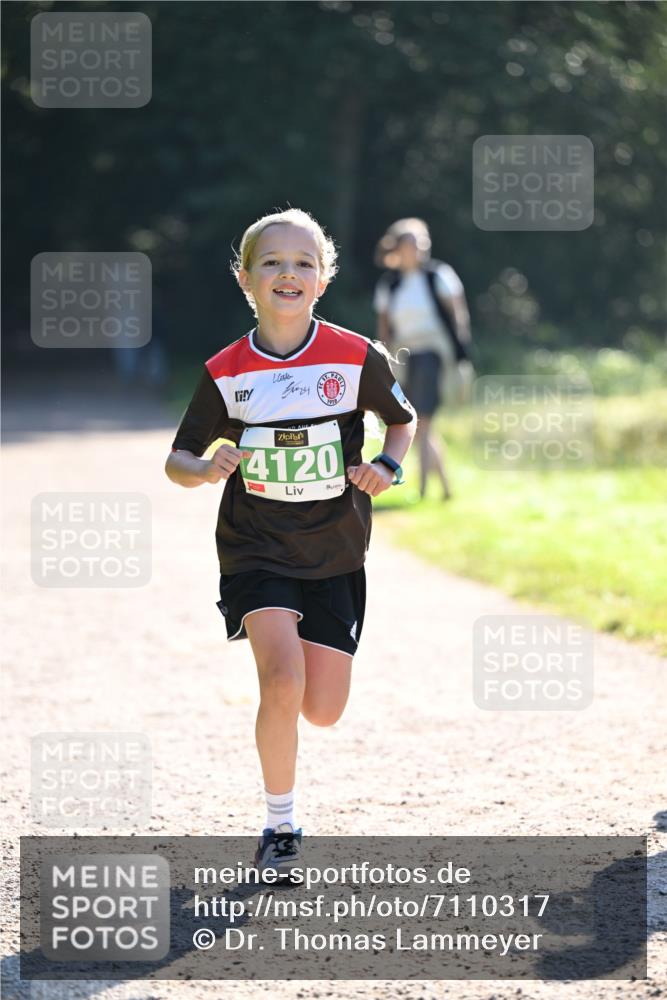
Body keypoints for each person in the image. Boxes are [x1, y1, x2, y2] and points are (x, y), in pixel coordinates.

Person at [165, 208, 416, 875]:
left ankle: (292, 757)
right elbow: (176, 459)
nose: (288, 272)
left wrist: (387, 466)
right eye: (272, 262)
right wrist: (205, 467)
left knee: (322, 709)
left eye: (304, 262)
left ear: (323, 279)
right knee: (281, 681)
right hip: (255, 549)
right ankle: (281, 826)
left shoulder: (354, 356)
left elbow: (402, 420)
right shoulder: (227, 370)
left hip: (335, 551)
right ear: (245, 278)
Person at [373, 217, 472, 500]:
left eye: (421, 244)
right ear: (399, 248)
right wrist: (383, 362)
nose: (419, 249)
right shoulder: (390, 285)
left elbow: (458, 317)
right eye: (412, 244)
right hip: (405, 358)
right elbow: (384, 327)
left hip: (433, 353)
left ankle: (423, 490)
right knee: (419, 425)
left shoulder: (438, 275)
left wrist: (461, 354)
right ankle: (445, 489)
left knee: (421, 421)